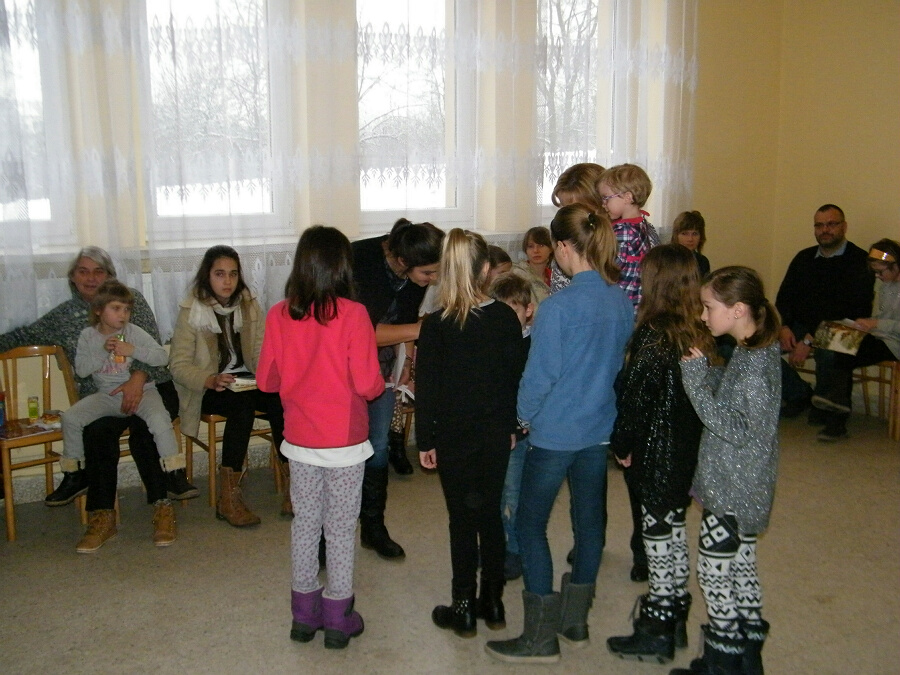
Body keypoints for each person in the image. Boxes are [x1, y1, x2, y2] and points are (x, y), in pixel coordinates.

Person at [485, 204, 633, 664]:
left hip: (553, 434)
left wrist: (519, 419)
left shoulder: (557, 308)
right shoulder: (620, 299)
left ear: (564, 247)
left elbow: (539, 377)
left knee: (530, 525)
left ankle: (539, 637)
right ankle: (574, 622)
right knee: (589, 525)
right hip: (598, 429)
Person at [0, 247, 196, 547]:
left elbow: (153, 347)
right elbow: (23, 336)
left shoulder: (129, 300)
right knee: (96, 433)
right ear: (72, 278)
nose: (91, 278)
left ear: (109, 276)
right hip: (103, 394)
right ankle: (101, 515)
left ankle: (163, 506)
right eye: (83, 271)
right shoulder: (64, 316)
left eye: (98, 271)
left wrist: (136, 380)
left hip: (151, 385)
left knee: (145, 430)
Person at [257, 226, 383, 650]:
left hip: (300, 438)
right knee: (342, 528)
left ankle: (303, 614)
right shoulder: (354, 314)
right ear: (342, 266)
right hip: (344, 442)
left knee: (305, 524)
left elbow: (266, 381)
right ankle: (337, 616)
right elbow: (367, 385)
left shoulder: (279, 314)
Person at [416, 230, 528, 638]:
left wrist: (425, 440)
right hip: (495, 433)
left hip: (454, 436)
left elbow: (427, 388)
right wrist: (513, 426)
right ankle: (493, 602)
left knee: (462, 519)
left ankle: (462, 607)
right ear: (485, 271)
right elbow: (514, 379)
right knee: (490, 515)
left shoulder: (436, 325)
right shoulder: (505, 318)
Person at [605, 245, 714, 663]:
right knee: (673, 533)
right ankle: (675, 619)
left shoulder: (654, 333)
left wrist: (622, 444)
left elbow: (635, 397)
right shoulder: (698, 331)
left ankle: (658, 627)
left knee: (657, 539)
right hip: (686, 451)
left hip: (656, 451)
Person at [671, 266, 781, 675]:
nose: (703, 316)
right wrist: (713, 372)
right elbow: (741, 402)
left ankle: (723, 660)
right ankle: (748, 656)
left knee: (714, 573)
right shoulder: (755, 350)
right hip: (748, 483)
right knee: (742, 566)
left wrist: (695, 382)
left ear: (737, 310)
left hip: (733, 487)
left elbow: (734, 427)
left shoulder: (753, 365)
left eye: (708, 307)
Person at [169, 245, 286, 527]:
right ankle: (228, 497)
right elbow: (178, 366)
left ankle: (295, 483)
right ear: (207, 276)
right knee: (241, 407)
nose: (227, 281)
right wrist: (209, 379)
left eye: (233, 274)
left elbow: (261, 352)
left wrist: (271, 376)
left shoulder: (249, 305)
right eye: (219, 274)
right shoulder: (191, 310)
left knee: (281, 399)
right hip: (208, 387)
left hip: (247, 381)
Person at [63, 281, 182, 546]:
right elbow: (81, 370)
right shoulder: (88, 336)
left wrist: (133, 351)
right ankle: (75, 473)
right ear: (98, 310)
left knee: (159, 419)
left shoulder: (133, 332)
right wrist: (101, 350)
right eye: (116, 309)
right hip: (107, 396)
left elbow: (161, 357)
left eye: (127, 309)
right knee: (71, 418)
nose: (123, 315)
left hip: (144, 392)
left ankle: (174, 472)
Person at [351, 218, 443, 559]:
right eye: (428, 273)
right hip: (344, 371)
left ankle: (373, 528)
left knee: (377, 447)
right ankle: (327, 535)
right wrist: (423, 329)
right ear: (403, 261)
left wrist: (408, 362)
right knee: (343, 451)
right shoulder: (361, 263)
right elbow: (364, 334)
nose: (432, 279)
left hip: (384, 368)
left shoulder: (412, 273)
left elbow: (404, 321)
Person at [598, 162, 660, 584]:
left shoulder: (620, 234)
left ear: (629, 196)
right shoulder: (649, 230)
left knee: (627, 438)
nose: (604, 205)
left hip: (623, 337)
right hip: (643, 332)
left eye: (607, 198)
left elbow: (612, 284)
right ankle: (644, 548)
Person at [775, 204, 874, 441]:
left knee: (830, 352)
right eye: (819, 225)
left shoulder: (860, 260)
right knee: (759, 347)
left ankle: (832, 413)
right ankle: (799, 393)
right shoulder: (804, 258)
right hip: (800, 325)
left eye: (831, 224)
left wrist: (810, 339)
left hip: (846, 326)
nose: (825, 230)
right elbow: (784, 297)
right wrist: (785, 326)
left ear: (844, 226)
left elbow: (854, 309)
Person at [810, 238, 900, 416]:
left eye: (880, 272)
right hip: (883, 336)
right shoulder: (887, 286)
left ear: (895, 266)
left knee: (845, 350)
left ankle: (834, 400)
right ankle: (835, 400)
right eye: (875, 272)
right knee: (832, 337)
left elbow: (891, 324)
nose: (877, 276)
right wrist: (866, 323)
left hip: (895, 343)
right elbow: (885, 317)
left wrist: (875, 324)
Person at [488, 272, 535, 582]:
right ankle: (497, 546)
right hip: (494, 431)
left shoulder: (533, 344)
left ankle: (515, 549)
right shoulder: (489, 342)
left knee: (514, 496)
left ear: (528, 310)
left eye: (513, 311)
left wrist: (519, 426)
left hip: (521, 433)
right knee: (493, 494)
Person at [549, 162, 606, 294]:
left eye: (574, 209)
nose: (566, 215)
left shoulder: (627, 239)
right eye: (563, 207)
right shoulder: (565, 240)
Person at [512, 226, 552, 306]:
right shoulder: (518, 275)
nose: (536, 250)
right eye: (530, 246)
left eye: (541, 245)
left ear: (551, 248)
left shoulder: (555, 277)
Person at [671, 211, 710, 277]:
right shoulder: (666, 259)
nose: (690, 239)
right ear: (676, 235)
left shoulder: (702, 261)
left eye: (695, 234)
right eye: (684, 234)